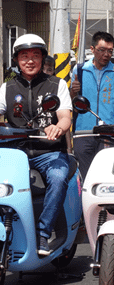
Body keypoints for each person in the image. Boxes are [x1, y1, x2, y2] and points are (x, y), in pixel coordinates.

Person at [0, 34, 72, 255]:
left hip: (47, 151)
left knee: (59, 177)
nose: (30, 61)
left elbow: (65, 117)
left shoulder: (56, 84)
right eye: (24, 56)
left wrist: (58, 127)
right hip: (15, 151)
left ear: (42, 59)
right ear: (16, 60)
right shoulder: (7, 88)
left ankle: (43, 233)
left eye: (35, 56)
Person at [70, 31, 114, 180]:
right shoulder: (79, 70)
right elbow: (73, 101)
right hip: (83, 131)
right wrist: (73, 91)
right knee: (86, 176)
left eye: (109, 51)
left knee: (107, 175)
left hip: (109, 129)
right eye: (101, 50)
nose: (106, 54)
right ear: (92, 49)